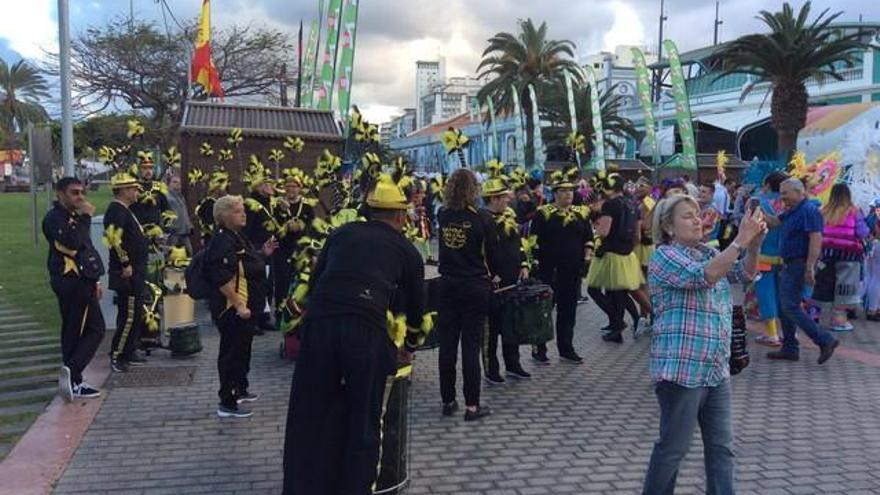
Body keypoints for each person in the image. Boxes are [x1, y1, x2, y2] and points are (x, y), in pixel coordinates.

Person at [282, 176, 426, 494]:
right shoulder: (407, 250)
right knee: (364, 416)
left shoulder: (341, 234)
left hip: (319, 324)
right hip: (365, 329)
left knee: (311, 410)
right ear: (400, 216)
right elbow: (417, 309)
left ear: (369, 210)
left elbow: (316, 280)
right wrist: (409, 346)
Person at [642, 194, 766, 495]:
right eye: (687, 216)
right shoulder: (665, 256)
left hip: (715, 368)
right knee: (673, 449)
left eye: (698, 214)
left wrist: (755, 241)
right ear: (668, 227)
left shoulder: (703, 253)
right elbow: (706, 276)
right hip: (682, 370)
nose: (697, 219)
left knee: (722, 448)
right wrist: (739, 240)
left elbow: (745, 273)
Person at [205, 195, 278, 418]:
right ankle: (227, 400)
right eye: (237, 211)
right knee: (231, 353)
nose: (243, 214)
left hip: (248, 307)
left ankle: (240, 388)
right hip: (234, 309)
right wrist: (238, 304)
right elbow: (222, 277)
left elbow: (247, 262)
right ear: (224, 216)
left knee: (242, 350)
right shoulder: (222, 241)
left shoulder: (237, 236)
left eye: (243, 209)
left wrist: (263, 254)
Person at [437, 168, 494, 420]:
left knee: (447, 345)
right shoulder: (482, 217)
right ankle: (472, 406)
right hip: (474, 284)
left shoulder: (443, 213)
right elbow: (492, 253)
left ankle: (448, 401)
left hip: (447, 283)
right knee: (470, 347)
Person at [43, 177, 105, 401]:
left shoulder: (72, 217)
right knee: (93, 328)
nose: (80, 197)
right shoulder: (55, 218)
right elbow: (73, 242)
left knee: (77, 329)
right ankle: (72, 370)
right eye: (74, 192)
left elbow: (85, 249)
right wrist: (87, 216)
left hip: (83, 279)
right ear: (60, 194)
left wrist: (95, 279)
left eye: (82, 192)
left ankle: (73, 379)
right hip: (71, 281)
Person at [767, 178, 839, 363]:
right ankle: (790, 347)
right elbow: (775, 222)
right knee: (785, 307)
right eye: (781, 193)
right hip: (790, 264)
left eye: (785, 193)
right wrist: (756, 212)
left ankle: (824, 339)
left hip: (799, 264)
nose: (782, 197)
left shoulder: (808, 211)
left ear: (799, 192)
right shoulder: (792, 211)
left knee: (790, 306)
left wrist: (809, 267)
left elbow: (816, 239)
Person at [530, 167, 593, 364]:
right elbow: (533, 241)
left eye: (571, 191)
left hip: (572, 270)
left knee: (568, 311)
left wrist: (586, 259)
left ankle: (566, 348)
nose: (568, 194)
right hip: (549, 270)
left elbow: (588, 238)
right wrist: (536, 263)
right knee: (545, 309)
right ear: (555, 194)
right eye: (564, 191)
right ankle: (539, 348)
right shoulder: (544, 213)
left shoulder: (581, 213)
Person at [481, 177, 531, 383]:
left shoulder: (509, 216)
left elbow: (519, 244)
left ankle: (513, 364)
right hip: (492, 283)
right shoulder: (482, 219)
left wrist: (524, 265)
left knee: (512, 325)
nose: (507, 200)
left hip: (512, 281)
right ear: (493, 198)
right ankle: (491, 369)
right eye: (503, 197)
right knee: (491, 330)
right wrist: (490, 275)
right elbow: (480, 252)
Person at [587, 170, 642, 343]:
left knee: (593, 289)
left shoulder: (610, 205)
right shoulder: (631, 203)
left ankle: (618, 323)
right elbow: (637, 234)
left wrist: (594, 234)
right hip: (626, 253)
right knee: (618, 293)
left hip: (610, 253)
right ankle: (619, 326)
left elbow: (604, 231)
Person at [103, 171, 149, 373]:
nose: (137, 192)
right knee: (129, 315)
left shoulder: (125, 210)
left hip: (137, 270)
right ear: (122, 191)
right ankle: (117, 355)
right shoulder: (116, 210)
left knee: (136, 312)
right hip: (128, 273)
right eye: (132, 189)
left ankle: (129, 350)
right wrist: (125, 263)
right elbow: (114, 239)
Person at [816, 183, 869, 331]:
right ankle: (838, 320)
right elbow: (863, 232)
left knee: (824, 282)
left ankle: (813, 313)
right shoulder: (854, 211)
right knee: (844, 286)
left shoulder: (823, 210)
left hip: (825, 253)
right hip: (849, 254)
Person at [243, 167, 281, 333]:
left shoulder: (270, 203)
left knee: (268, 284)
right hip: (257, 248)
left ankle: (265, 317)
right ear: (259, 186)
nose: (272, 186)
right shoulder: (252, 205)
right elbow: (246, 230)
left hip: (270, 249)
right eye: (267, 183)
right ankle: (254, 319)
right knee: (256, 286)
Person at [274, 168, 315, 322]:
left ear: (300, 188)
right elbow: (273, 227)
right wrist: (284, 222)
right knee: (281, 284)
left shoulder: (307, 207)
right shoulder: (278, 205)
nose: (291, 189)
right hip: (282, 250)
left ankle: (298, 314)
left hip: (300, 251)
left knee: (300, 283)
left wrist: (301, 227)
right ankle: (279, 315)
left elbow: (312, 228)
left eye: (294, 186)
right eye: (288, 186)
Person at [752, 171, 788, 347]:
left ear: (767, 185)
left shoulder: (758, 202)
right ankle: (790, 333)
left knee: (766, 294)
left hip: (763, 256)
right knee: (785, 295)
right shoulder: (790, 204)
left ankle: (772, 334)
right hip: (786, 258)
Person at [195, 169, 229, 245]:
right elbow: (206, 218)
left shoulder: (213, 202)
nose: (224, 191)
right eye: (222, 189)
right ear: (216, 191)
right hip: (211, 235)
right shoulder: (209, 204)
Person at [165, 174, 193, 254]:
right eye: (174, 182)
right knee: (171, 253)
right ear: (169, 184)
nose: (177, 184)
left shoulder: (181, 197)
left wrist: (189, 225)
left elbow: (185, 212)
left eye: (179, 183)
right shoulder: (167, 197)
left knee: (189, 252)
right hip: (173, 231)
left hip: (184, 230)